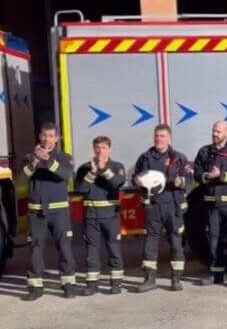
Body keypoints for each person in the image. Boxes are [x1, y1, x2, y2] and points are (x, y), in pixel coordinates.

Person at [133, 124, 192, 292]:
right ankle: (149, 279)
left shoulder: (179, 158)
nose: (159, 139)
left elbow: (190, 178)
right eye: (157, 136)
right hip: (153, 205)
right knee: (150, 242)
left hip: (173, 206)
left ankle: (176, 279)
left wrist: (182, 182)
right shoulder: (145, 157)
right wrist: (141, 183)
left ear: (169, 138)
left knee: (175, 241)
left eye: (162, 136)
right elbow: (135, 178)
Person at [20, 123, 76, 301]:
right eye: (44, 135)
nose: (47, 139)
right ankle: (35, 287)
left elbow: (65, 175)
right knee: (35, 248)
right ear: (39, 136)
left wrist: (47, 160)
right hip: (37, 212)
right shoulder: (29, 157)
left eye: (51, 136)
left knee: (64, 246)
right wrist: (35, 162)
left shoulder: (64, 157)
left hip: (59, 211)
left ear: (57, 139)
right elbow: (20, 180)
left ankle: (68, 284)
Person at [194, 121, 227, 288]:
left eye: (218, 131)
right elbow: (197, 174)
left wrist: (222, 175)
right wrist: (207, 176)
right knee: (214, 239)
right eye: (213, 131)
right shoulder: (204, 152)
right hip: (212, 204)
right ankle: (216, 274)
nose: (214, 134)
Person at [74, 136, 126, 295]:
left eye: (103, 147)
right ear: (93, 149)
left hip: (110, 215)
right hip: (91, 217)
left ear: (109, 149)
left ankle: (116, 283)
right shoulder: (84, 168)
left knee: (113, 248)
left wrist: (104, 170)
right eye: (97, 147)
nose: (100, 151)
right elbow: (81, 189)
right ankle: (92, 284)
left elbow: (117, 183)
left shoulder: (117, 166)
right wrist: (92, 172)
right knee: (91, 251)